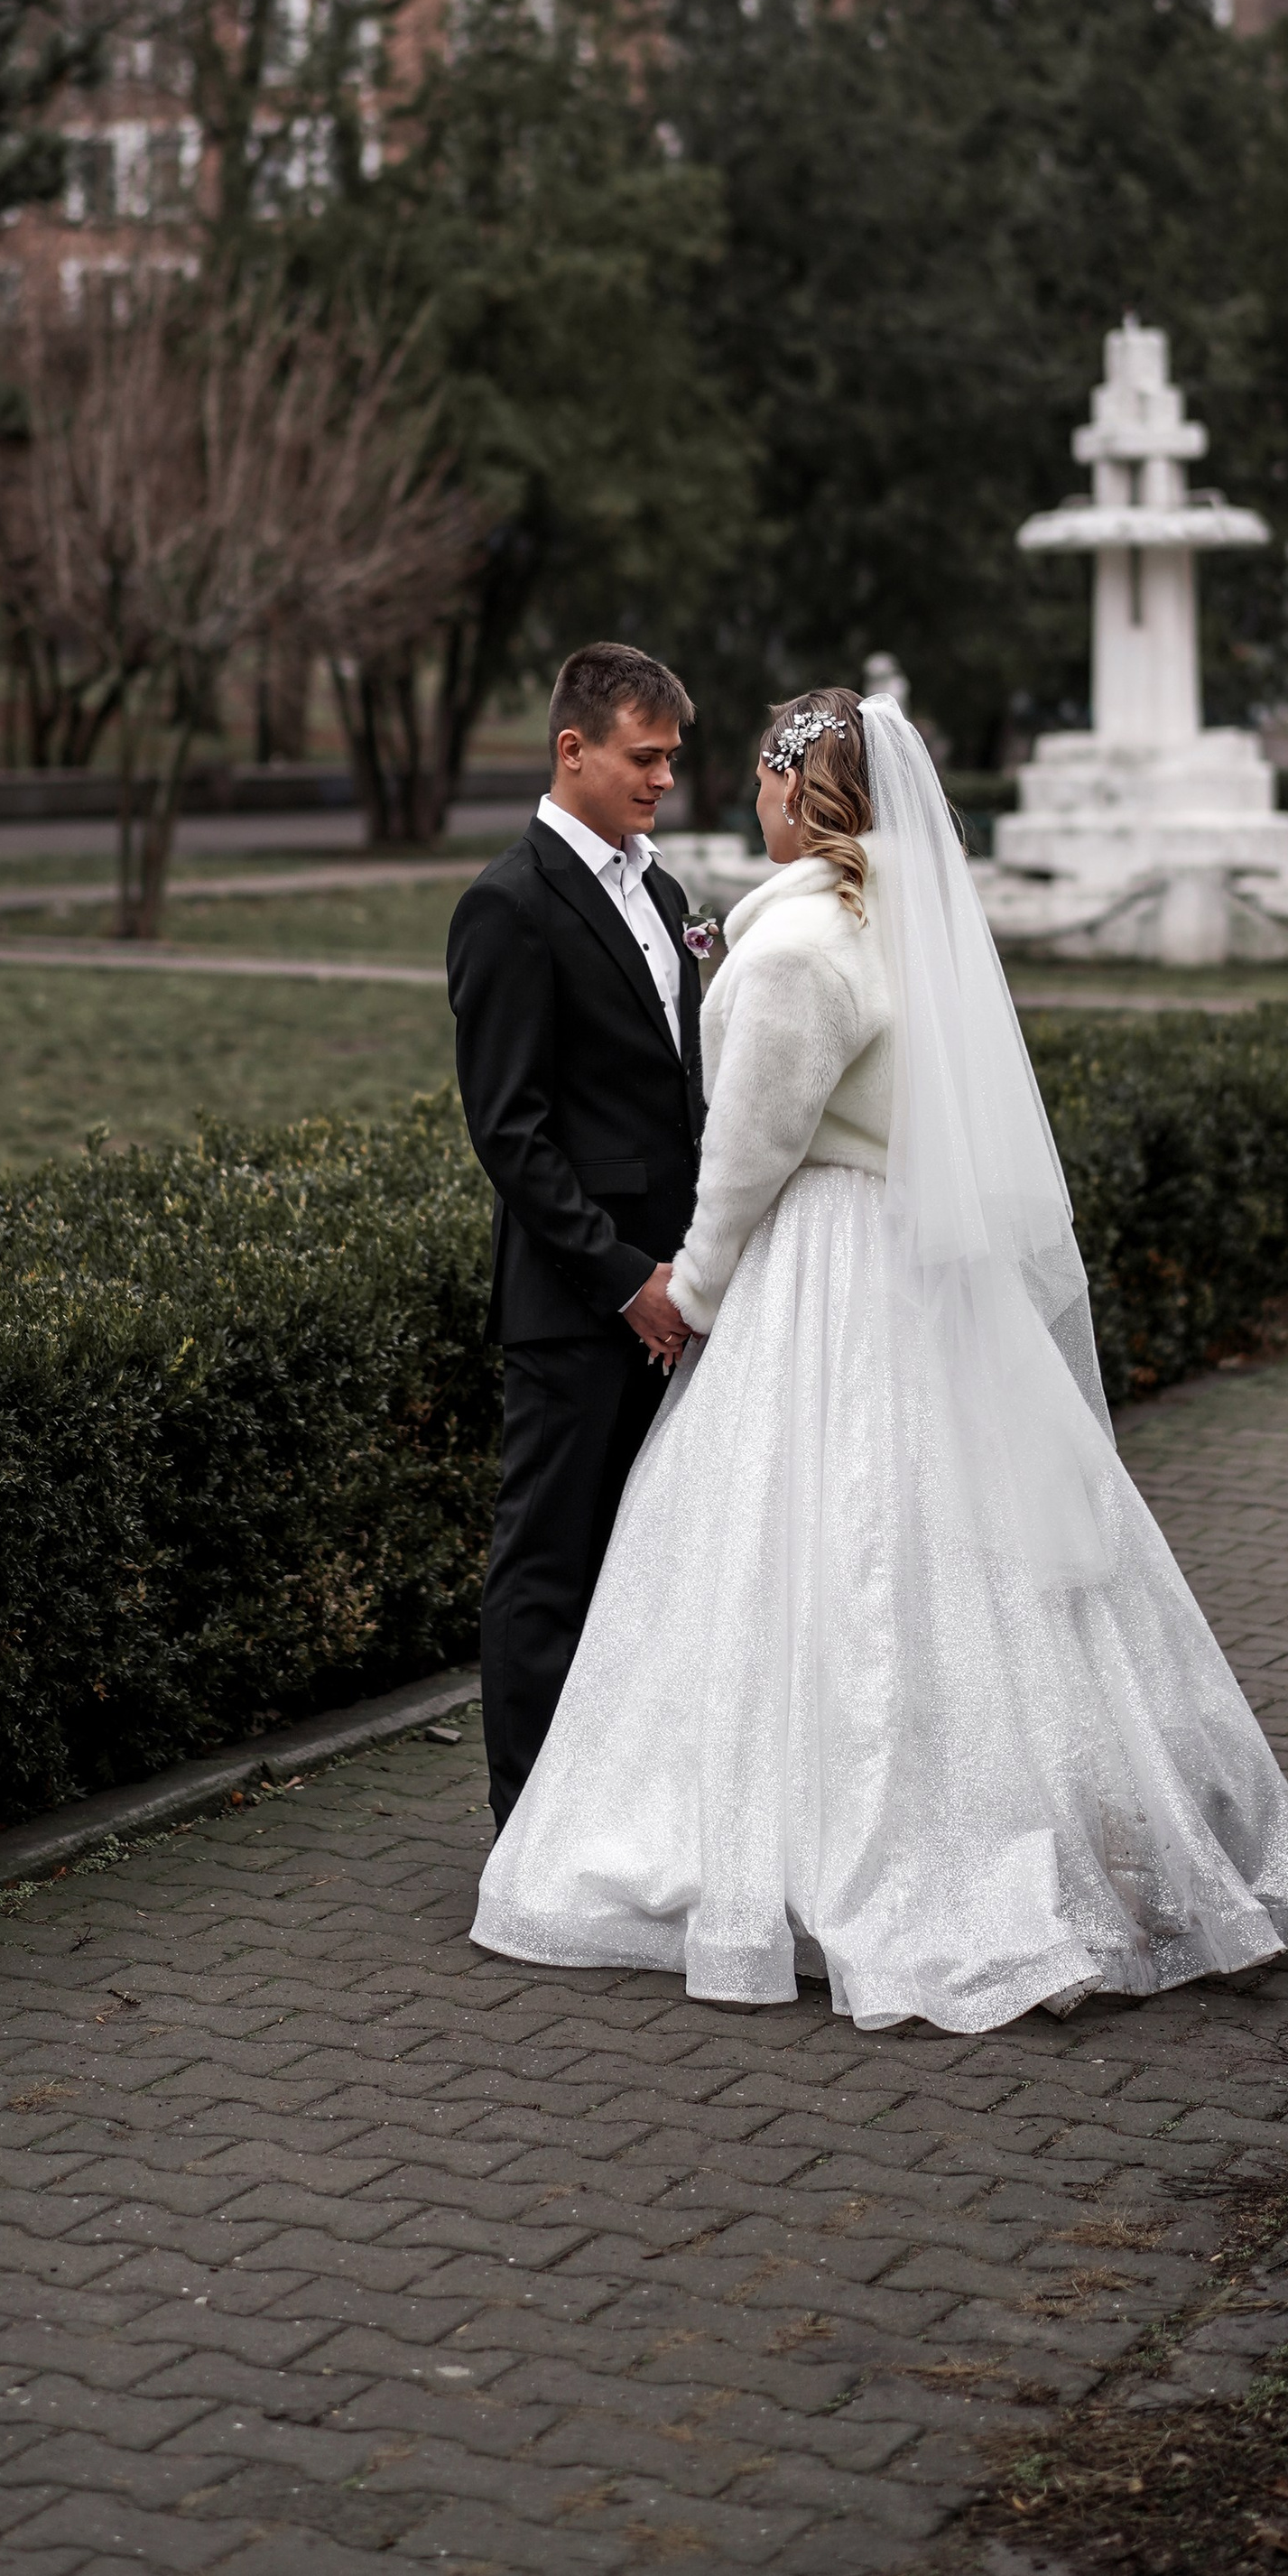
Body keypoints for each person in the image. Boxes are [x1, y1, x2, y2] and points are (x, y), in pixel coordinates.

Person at [471, 685, 1288, 2034]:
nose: (729, 791)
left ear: (794, 786)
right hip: (915, 1270)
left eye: (747, 770)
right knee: (942, 1552)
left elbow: (750, 1155)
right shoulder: (899, 922)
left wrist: (690, 1288)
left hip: (825, 1268)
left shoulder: (802, 943)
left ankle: (836, 1844)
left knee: (819, 1545)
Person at [447, 642, 705, 1830]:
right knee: (547, 1567)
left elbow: (675, 1102)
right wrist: (623, 1280)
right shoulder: (507, 906)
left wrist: (694, 1269)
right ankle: (530, 1832)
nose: (663, 780)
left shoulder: (664, 896)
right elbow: (513, 1134)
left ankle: (620, 1811)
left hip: (677, 1292)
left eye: (671, 760)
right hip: (573, 1300)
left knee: (643, 1566)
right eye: (644, 758)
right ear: (574, 749)